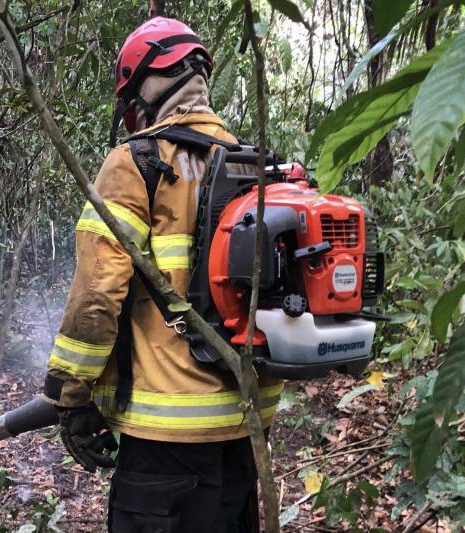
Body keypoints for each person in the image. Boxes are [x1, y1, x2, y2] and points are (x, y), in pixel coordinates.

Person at [42, 16, 282, 533]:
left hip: (164, 443)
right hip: (245, 432)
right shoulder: (258, 168)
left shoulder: (136, 162)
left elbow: (96, 296)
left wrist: (71, 394)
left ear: (145, 90)